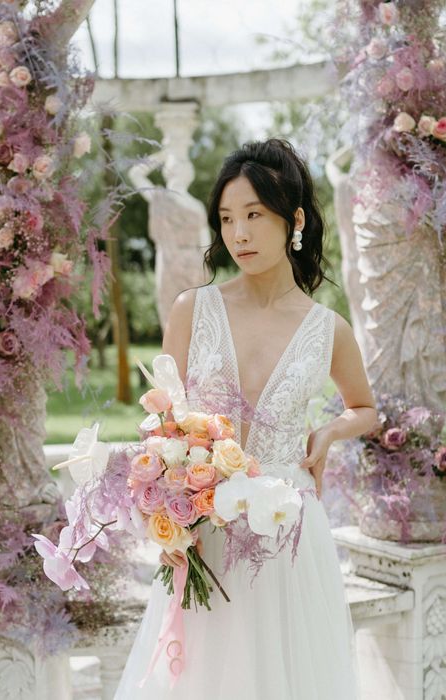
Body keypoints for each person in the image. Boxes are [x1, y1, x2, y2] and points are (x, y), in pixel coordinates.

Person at [114, 138, 376, 699]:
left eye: (255, 215)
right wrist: (166, 498)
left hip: (290, 538)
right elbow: (163, 422)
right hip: (205, 534)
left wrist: (329, 431)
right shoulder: (192, 310)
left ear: (294, 219)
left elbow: (365, 408)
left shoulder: (328, 329)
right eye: (228, 218)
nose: (239, 234)